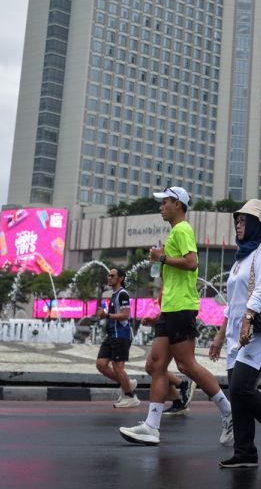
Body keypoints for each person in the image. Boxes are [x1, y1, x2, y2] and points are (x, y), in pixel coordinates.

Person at [118, 187, 233, 446]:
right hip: (171, 309)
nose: (161, 207)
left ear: (178, 204)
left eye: (165, 202)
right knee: (155, 365)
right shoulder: (174, 232)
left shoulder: (183, 230)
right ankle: (151, 426)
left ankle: (229, 412)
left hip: (181, 308)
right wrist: (160, 264)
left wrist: (163, 257)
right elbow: (173, 274)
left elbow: (192, 263)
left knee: (186, 365)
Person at [208, 200, 261, 469]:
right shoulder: (241, 257)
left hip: (258, 330)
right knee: (237, 393)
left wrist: (247, 322)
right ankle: (245, 451)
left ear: (257, 224)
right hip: (237, 333)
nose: (238, 224)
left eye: (244, 220)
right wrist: (221, 335)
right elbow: (232, 302)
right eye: (238, 220)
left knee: (241, 387)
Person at [96, 267, 137, 408]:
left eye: (112, 276)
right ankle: (128, 384)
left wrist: (106, 315)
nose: (109, 278)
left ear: (121, 278)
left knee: (118, 367)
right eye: (108, 275)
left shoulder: (123, 294)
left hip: (122, 335)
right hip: (111, 335)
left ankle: (130, 397)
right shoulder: (114, 294)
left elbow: (126, 315)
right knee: (101, 364)